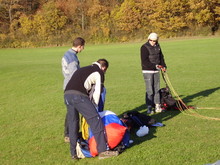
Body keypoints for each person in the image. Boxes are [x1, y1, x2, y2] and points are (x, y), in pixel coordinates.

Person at [64, 59, 119, 160]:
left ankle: (74, 154)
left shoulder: (83, 69)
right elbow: (97, 92)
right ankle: (103, 151)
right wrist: (95, 109)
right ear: (104, 68)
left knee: (73, 124)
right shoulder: (99, 72)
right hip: (79, 96)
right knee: (95, 120)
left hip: (67, 94)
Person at [61, 37, 85, 143]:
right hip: (72, 88)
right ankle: (70, 135)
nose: (83, 49)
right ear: (79, 46)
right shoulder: (72, 58)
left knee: (71, 112)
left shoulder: (67, 54)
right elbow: (74, 75)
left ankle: (68, 134)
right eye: (83, 47)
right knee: (73, 113)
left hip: (67, 86)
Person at [140, 32, 167, 114]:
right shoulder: (144, 47)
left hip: (156, 71)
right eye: (152, 41)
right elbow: (144, 61)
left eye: (155, 41)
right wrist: (155, 66)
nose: (153, 42)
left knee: (157, 89)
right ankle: (149, 107)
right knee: (150, 90)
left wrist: (163, 65)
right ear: (149, 39)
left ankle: (157, 106)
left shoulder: (158, 46)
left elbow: (161, 57)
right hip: (147, 71)